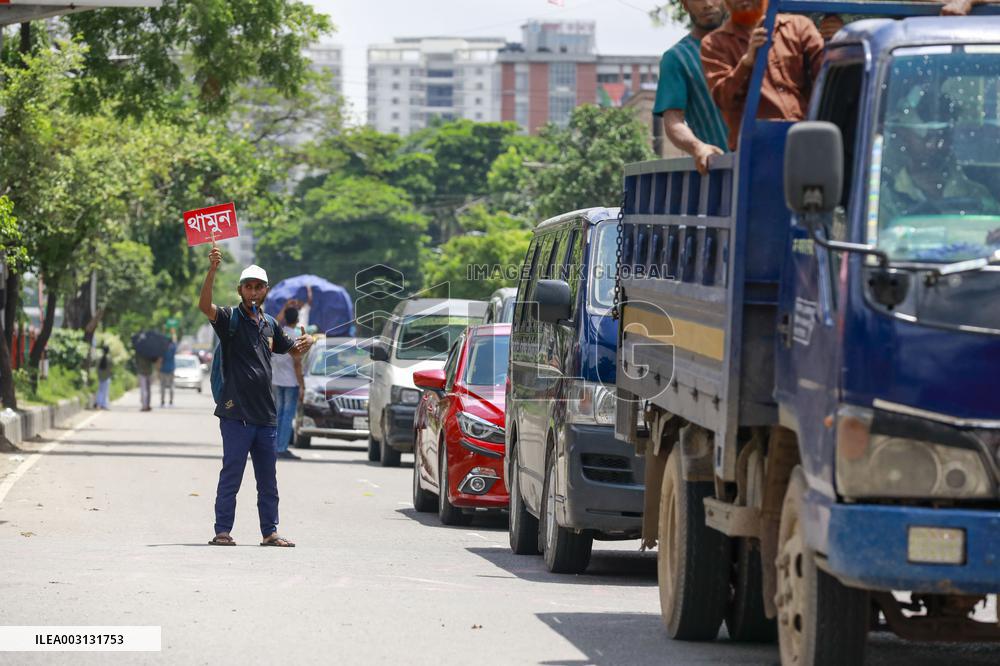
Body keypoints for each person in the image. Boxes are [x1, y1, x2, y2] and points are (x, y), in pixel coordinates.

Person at [199, 243, 314, 548]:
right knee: (231, 475)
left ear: (265, 291)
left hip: (265, 415)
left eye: (258, 287)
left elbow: (292, 349)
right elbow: (204, 306)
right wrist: (212, 270)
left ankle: (270, 532)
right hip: (236, 414)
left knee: (268, 480)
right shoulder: (229, 320)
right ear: (240, 290)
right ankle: (222, 531)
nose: (252, 292)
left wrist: (307, 341)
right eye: (248, 287)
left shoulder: (270, 325)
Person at [701, 0, 825, 150]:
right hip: (755, 150)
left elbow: (828, 71)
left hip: (805, 141)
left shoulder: (799, 27)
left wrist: (837, 38)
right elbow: (722, 99)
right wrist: (746, 64)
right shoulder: (714, 44)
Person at [654, 0, 730, 175]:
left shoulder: (755, 46)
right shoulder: (677, 58)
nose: (707, 4)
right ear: (685, 5)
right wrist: (698, 148)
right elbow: (673, 121)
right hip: (721, 172)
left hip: (771, 164)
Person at [272, 306, 306, 460]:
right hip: (291, 382)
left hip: (276, 380)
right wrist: (302, 385)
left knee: (278, 414)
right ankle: (282, 447)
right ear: (297, 320)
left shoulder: (278, 335)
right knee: (287, 416)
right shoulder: (296, 338)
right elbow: (297, 363)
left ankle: (275, 446)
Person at [159, 340, 176, 408]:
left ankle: (162, 402)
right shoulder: (172, 349)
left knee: (162, 386)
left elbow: (160, 359)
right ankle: (171, 402)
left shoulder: (163, 349)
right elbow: (175, 344)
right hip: (171, 369)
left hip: (163, 369)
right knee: (171, 386)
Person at [95, 346, 112, 410]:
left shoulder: (99, 358)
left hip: (100, 378)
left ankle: (99, 404)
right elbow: (110, 369)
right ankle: (104, 405)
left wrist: (99, 375)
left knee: (100, 391)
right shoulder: (109, 359)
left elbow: (97, 368)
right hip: (106, 378)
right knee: (105, 392)